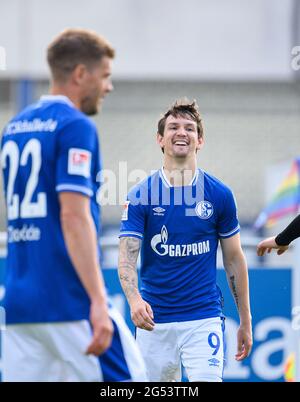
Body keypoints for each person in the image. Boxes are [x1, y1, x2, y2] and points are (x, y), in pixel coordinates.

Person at [0, 28, 146, 382]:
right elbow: (73, 216)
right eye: (105, 76)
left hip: (20, 305)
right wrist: (97, 300)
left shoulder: (14, 127)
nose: (108, 87)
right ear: (81, 74)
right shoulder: (75, 126)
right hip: (68, 300)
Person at [118, 99, 253, 382]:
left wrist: (245, 321)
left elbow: (234, 259)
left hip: (202, 319)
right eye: (173, 127)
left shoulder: (220, 195)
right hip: (154, 321)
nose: (182, 132)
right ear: (160, 139)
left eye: (190, 128)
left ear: (200, 140)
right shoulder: (140, 194)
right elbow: (126, 257)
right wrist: (134, 300)